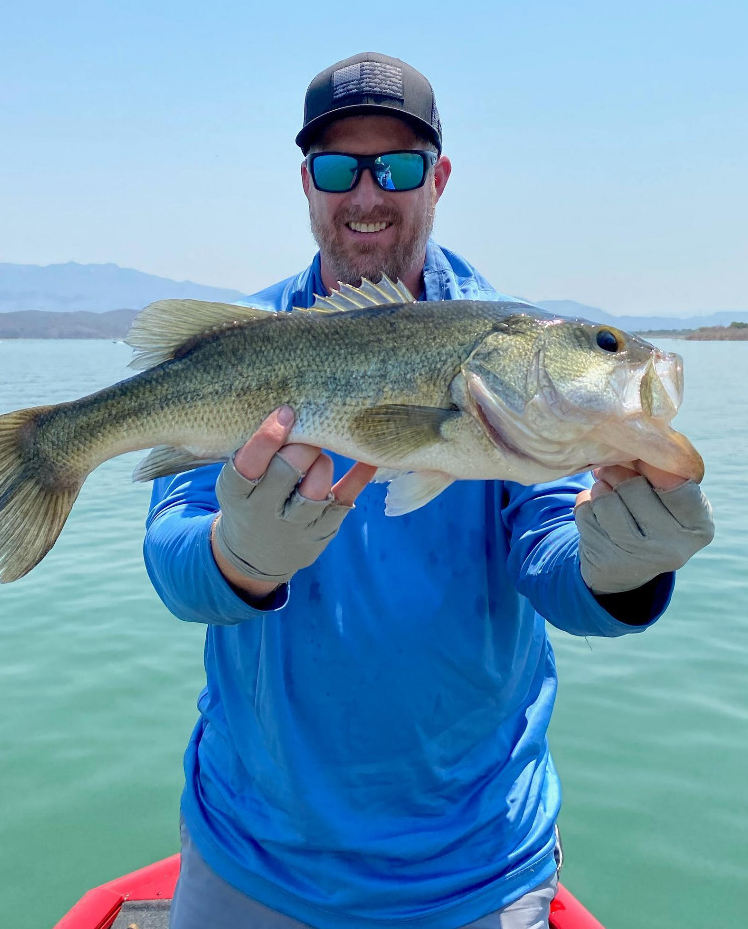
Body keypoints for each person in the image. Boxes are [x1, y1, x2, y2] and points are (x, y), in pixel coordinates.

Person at [144, 53, 714, 929]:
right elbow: (174, 567)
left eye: (397, 167)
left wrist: (621, 565)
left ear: (437, 178)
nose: (366, 194)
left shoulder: (510, 358)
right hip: (251, 857)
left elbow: (559, 573)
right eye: (338, 168)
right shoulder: (245, 341)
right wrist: (236, 557)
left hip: (474, 873)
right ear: (306, 183)